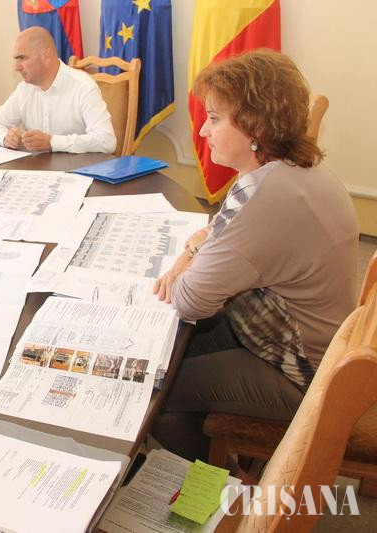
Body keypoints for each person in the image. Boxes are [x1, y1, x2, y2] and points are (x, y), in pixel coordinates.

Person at [150, 49, 358, 464]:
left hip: (302, 372)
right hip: (302, 336)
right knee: (169, 350)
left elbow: (189, 300)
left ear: (255, 127)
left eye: (214, 118)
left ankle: (221, 487)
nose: (203, 131)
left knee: (158, 392)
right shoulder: (286, 168)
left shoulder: (264, 195)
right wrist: (194, 250)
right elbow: (216, 232)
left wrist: (189, 258)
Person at [0, 27, 116, 154]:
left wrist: (53, 142)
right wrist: (5, 137)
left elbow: (107, 141)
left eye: (22, 58)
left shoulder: (83, 86)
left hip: (79, 168)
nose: (17, 67)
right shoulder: (24, 90)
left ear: (46, 55)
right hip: (37, 169)